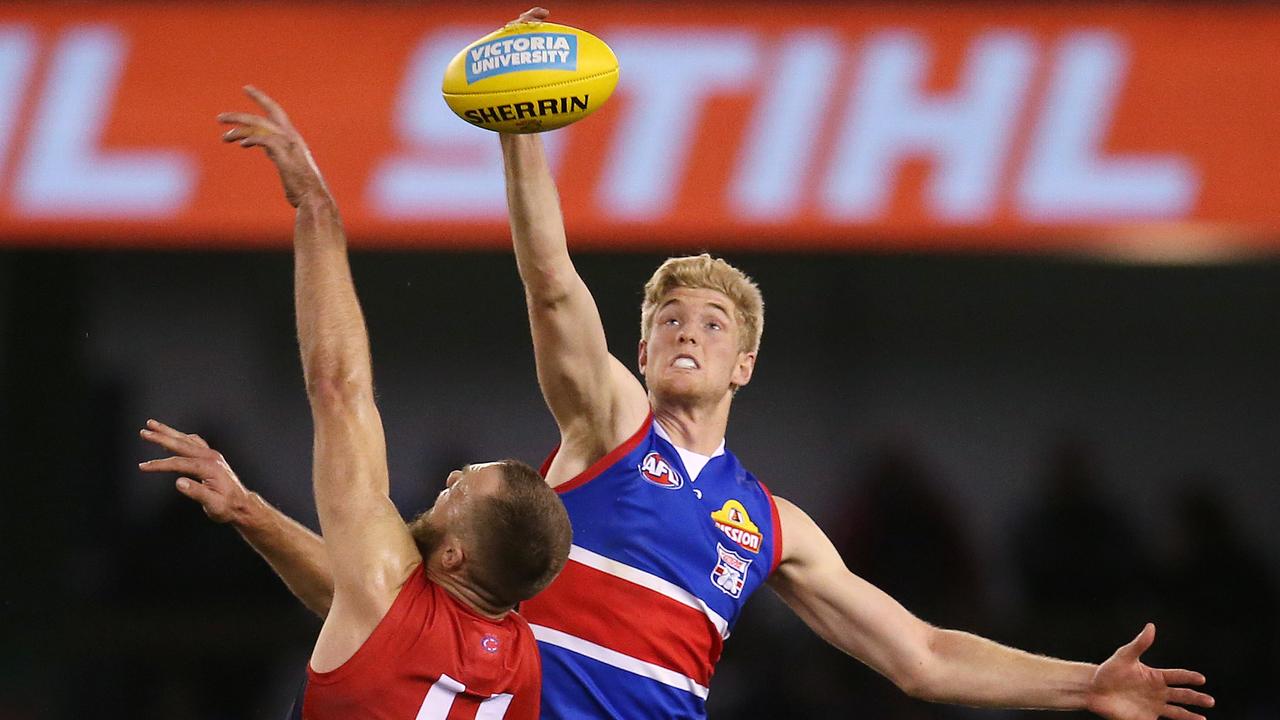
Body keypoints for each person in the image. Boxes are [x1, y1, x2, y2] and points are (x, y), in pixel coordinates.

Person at [164, 15, 1215, 720]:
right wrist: (521, 138)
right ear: (638, 345)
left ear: (743, 364)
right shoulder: (605, 423)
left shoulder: (769, 524)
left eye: (710, 322)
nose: (684, 329)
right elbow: (550, 286)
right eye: (666, 313)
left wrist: (1082, 687)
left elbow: (922, 656)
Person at [140, 86, 571, 720]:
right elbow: (362, 598)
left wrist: (314, 205)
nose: (449, 479)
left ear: (453, 557)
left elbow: (339, 389)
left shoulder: (387, 592)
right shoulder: (521, 664)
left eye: (459, 492)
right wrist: (249, 512)